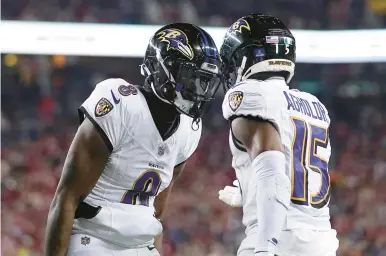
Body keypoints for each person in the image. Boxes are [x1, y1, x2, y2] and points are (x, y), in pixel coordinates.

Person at [44, 23, 222, 256]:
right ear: (162, 71)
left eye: (204, 81)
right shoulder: (120, 103)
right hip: (93, 240)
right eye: (191, 77)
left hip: (140, 246)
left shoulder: (189, 129)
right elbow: (67, 196)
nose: (199, 89)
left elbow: (154, 213)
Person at [218, 14, 339, 256]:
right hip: (322, 241)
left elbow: (273, 172)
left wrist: (265, 248)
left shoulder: (253, 95)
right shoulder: (313, 105)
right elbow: (294, 168)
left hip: (278, 238)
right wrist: (250, 192)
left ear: (246, 57)